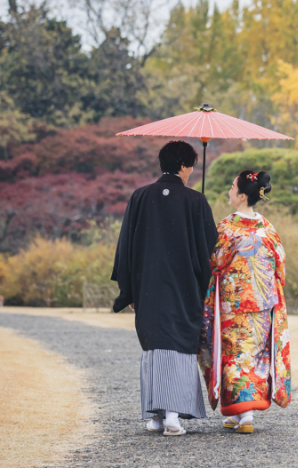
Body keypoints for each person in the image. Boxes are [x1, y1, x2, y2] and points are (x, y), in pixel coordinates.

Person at [111, 140, 218, 436]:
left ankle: (157, 416)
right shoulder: (196, 201)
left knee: (155, 345)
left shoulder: (140, 196)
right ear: (184, 166)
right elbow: (210, 247)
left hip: (147, 287)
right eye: (191, 166)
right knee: (179, 345)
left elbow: (126, 247)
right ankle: (171, 416)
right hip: (184, 288)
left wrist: (129, 289)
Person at [199, 170, 291, 434]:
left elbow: (215, 261)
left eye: (231, 187)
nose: (228, 191)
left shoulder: (227, 227)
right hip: (263, 303)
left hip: (234, 304)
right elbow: (280, 264)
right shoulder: (267, 227)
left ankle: (246, 413)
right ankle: (240, 415)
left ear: (241, 196)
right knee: (255, 355)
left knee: (234, 355)